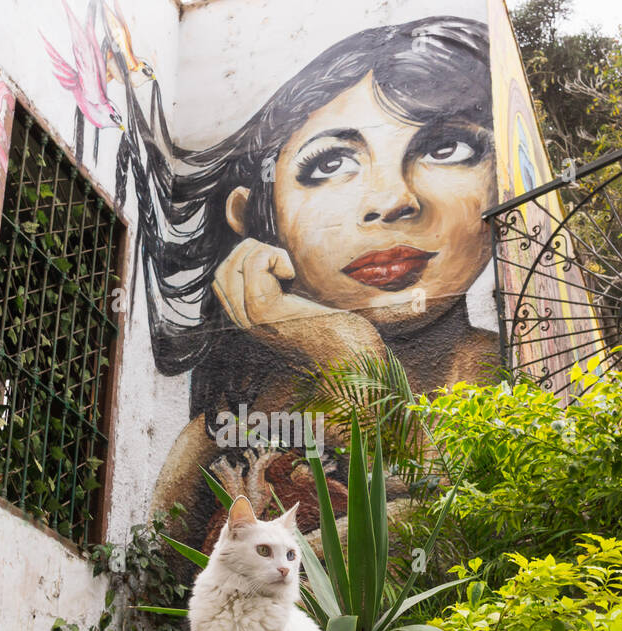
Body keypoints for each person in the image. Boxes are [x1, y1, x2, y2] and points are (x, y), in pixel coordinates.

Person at [122, 16, 501, 548]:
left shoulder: (504, 382)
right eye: (331, 163)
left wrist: (353, 355)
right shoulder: (224, 427)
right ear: (253, 215)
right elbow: (160, 573)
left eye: (447, 149)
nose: (392, 199)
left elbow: (456, 519)